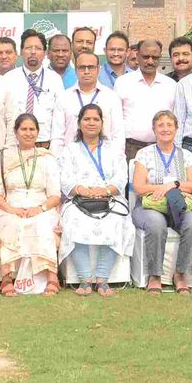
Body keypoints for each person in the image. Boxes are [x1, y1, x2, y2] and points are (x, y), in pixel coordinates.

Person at [57, 102, 131, 296]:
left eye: (95, 119)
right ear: (79, 123)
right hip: (79, 199)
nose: (91, 123)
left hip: (109, 198)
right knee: (73, 220)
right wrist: (81, 190)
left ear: (102, 123)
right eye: (86, 119)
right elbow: (64, 177)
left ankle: (102, 278)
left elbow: (121, 177)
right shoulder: (69, 150)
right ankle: (85, 279)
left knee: (117, 219)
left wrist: (105, 190)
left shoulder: (114, 149)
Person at [131, 110, 192, 294]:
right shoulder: (144, 154)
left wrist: (172, 185)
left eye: (169, 125)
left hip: (179, 206)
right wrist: (162, 189)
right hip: (150, 205)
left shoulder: (187, 155)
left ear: (177, 129)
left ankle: (180, 274)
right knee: (156, 224)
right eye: (160, 125)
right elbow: (139, 187)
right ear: (154, 129)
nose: (165, 129)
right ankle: (155, 275)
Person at [0, 113, 62, 293]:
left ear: (38, 132)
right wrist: (12, 209)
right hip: (10, 206)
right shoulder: (3, 158)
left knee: (42, 224)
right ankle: (7, 278)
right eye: (24, 129)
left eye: (32, 129)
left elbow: (55, 195)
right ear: (15, 132)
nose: (28, 133)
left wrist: (40, 208)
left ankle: (52, 276)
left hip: (42, 207)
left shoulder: (47, 159)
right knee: (11, 224)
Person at [115, 39, 177, 159]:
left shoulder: (171, 85)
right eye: (146, 57)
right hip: (130, 149)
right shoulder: (123, 83)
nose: (150, 61)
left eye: (155, 57)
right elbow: (115, 121)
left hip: (162, 149)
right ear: (137, 56)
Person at [52, 49, 121, 149]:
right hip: (71, 158)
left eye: (91, 67)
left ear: (98, 69)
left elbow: (118, 135)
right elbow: (57, 136)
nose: (86, 71)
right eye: (82, 67)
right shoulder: (64, 98)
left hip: (103, 158)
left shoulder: (111, 97)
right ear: (75, 69)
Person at [4, 29, 64, 143]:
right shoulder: (8, 79)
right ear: (21, 52)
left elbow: (59, 119)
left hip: (44, 145)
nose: (33, 52)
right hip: (15, 145)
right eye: (28, 48)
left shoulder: (55, 79)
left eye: (38, 48)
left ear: (45, 53)